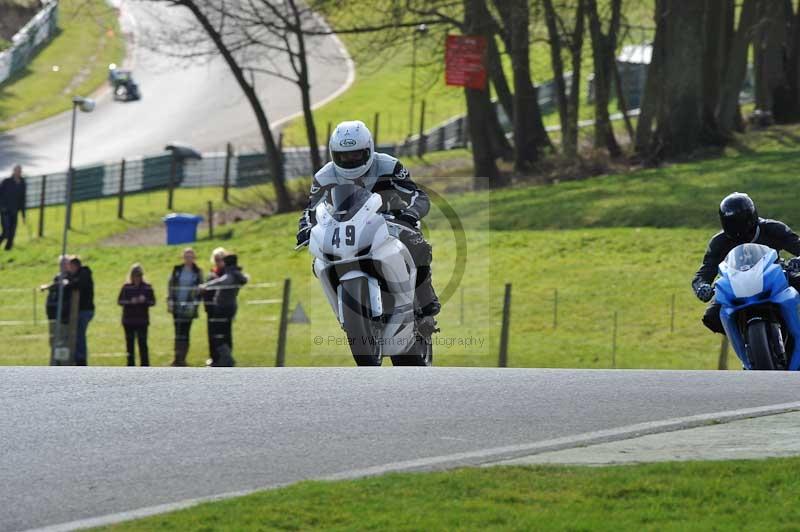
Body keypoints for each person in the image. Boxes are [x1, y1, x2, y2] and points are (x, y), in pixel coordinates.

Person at [296, 120, 440, 325]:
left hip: (390, 220)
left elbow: (418, 195)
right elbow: (311, 209)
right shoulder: (324, 176)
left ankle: (425, 296)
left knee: (417, 244)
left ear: (369, 149)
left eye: (356, 154)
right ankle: (344, 307)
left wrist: (410, 214)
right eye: (344, 155)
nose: (350, 160)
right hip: (345, 227)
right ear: (333, 154)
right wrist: (305, 228)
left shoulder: (389, 165)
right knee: (319, 260)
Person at [692, 192, 800, 334]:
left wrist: (797, 261)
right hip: (736, 288)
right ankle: (745, 340)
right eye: (732, 223)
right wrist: (701, 286)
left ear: (752, 217)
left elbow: (797, 245)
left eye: (741, 221)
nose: (738, 229)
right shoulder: (719, 242)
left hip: (775, 279)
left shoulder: (772, 228)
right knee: (711, 317)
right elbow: (705, 271)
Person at [200, 250, 248, 367]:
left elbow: (221, 282)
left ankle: (227, 359)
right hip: (229, 307)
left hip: (223, 308)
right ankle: (224, 358)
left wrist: (206, 286)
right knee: (224, 332)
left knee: (217, 333)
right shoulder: (237, 274)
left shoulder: (230, 275)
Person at [167, 248, 202, 366]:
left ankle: (183, 358)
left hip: (189, 307)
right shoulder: (177, 270)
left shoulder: (197, 271)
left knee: (186, 332)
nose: (188, 259)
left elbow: (200, 289)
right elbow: (171, 285)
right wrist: (170, 300)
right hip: (177, 305)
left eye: (190, 257)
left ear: (194, 258)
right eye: (186, 256)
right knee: (177, 332)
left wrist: (196, 301)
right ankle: (176, 358)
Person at [117, 264, 156, 366]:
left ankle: (145, 366)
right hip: (128, 320)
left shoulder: (147, 287)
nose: (137, 278)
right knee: (129, 345)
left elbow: (152, 302)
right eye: (135, 275)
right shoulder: (126, 287)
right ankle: (130, 366)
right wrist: (131, 302)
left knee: (143, 344)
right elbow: (120, 301)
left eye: (139, 275)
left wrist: (144, 300)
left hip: (142, 320)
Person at [64, 256, 95, 365]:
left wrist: (68, 283)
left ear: (75, 266)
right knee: (77, 334)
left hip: (85, 310)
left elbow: (76, 285)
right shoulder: (77, 275)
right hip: (80, 311)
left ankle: (81, 359)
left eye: (70, 267)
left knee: (80, 335)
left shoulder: (84, 274)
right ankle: (78, 357)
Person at [41, 256, 71, 357]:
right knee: (53, 338)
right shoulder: (58, 276)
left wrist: (48, 286)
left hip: (64, 314)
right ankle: (55, 359)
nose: (62, 266)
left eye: (65, 264)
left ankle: (62, 361)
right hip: (53, 312)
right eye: (61, 264)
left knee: (63, 339)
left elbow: (61, 285)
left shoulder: (70, 277)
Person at [0, 165, 27, 250]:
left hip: (14, 211)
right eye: (17, 171)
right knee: (6, 232)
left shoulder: (22, 183)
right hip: (5, 211)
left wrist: (23, 215)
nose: (18, 173)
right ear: (13, 171)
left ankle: (8, 249)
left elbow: (22, 199)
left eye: (20, 171)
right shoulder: (6, 181)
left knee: (13, 232)